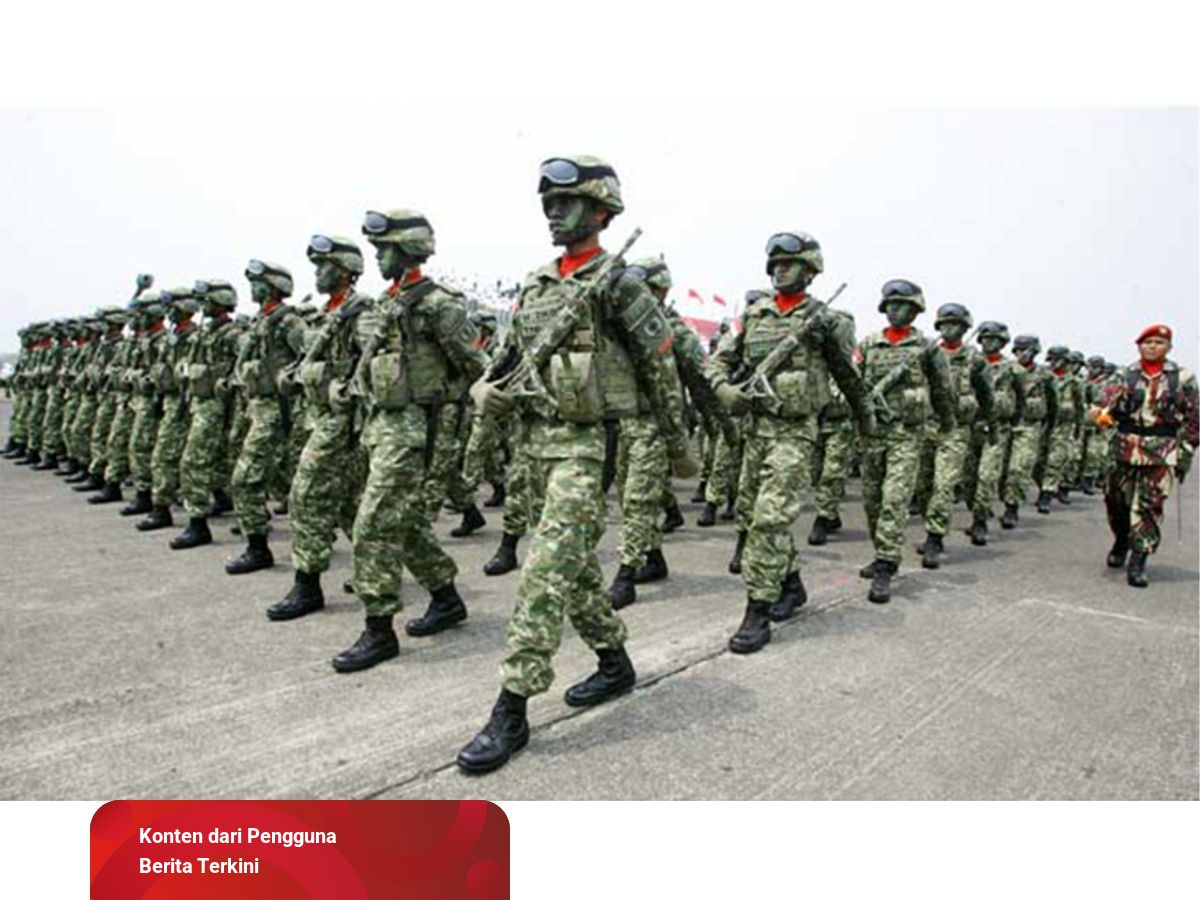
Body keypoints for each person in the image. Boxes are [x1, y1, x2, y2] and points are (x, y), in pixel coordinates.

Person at [457, 156, 695, 773]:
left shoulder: (619, 284)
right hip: (535, 446)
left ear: (601, 212)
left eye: (566, 204)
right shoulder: (536, 285)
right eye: (548, 205)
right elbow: (507, 356)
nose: (553, 214)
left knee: (542, 573)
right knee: (575, 569)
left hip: (588, 447)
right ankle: (614, 663)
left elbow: (661, 367)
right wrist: (484, 387)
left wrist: (677, 446)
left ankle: (511, 708)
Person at [333, 209, 484, 672]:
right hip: (381, 427)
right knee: (406, 522)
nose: (378, 258)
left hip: (415, 434)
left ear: (408, 249)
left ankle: (378, 630)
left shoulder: (438, 304)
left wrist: (446, 404)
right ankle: (446, 597)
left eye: (385, 250)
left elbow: (477, 365)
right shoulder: (386, 302)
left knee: (374, 524)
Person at [711, 232, 871, 649]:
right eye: (776, 262)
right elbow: (719, 361)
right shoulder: (757, 314)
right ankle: (792, 583)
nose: (780, 268)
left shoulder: (827, 321)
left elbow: (849, 377)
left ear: (811, 270)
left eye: (791, 263)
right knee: (752, 514)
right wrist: (723, 388)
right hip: (757, 432)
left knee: (769, 519)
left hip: (796, 433)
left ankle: (757, 610)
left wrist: (868, 422)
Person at [266, 236, 372, 619]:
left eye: (324, 266)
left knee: (305, 495)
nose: (317, 273)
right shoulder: (326, 315)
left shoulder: (362, 315)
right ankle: (378, 571)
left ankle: (307, 585)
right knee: (349, 506)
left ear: (344, 271)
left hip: (344, 424)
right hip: (321, 418)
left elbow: (378, 369)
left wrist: (341, 389)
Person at [857, 279, 955, 603]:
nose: (897, 310)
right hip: (873, 433)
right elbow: (855, 383)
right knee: (871, 498)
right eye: (892, 304)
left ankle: (887, 562)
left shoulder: (927, 348)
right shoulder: (870, 344)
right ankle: (881, 551)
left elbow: (942, 390)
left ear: (915, 310)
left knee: (894, 497)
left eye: (904, 305)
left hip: (907, 434)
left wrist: (946, 425)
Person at [1094, 324, 1198, 587]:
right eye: (1147, 342)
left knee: (1149, 506)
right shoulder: (1124, 375)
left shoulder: (1183, 378)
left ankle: (1139, 559)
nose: (1152, 346)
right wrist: (1100, 415)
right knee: (1116, 502)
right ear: (1139, 346)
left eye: (1158, 343)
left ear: (1169, 347)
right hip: (1125, 447)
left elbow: (1194, 418)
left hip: (1161, 451)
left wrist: (1186, 453)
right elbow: (1099, 405)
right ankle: (1121, 539)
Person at [226, 260, 307, 574]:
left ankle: (258, 548)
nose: (252, 288)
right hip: (256, 408)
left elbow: (312, 356)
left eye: (258, 282)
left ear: (274, 285)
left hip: (279, 413)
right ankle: (257, 545)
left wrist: (291, 377)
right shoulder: (261, 322)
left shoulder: (289, 322)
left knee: (246, 478)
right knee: (278, 482)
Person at [915, 303, 994, 568]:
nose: (949, 329)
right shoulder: (927, 354)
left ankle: (935, 537)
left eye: (955, 325)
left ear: (964, 328)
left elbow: (986, 395)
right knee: (922, 484)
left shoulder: (975, 360)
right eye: (945, 324)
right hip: (927, 426)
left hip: (956, 429)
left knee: (944, 484)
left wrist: (989, 425)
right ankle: (931, 525)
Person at [169, 279, 242, 549]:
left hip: (217, 406)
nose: (202, 306)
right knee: (215, 461)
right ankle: (221, 501)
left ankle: (197, 523)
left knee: (194, 462)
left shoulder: (233, 335)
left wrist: (228, 380)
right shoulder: (204, 333)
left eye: (207, 300)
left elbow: (245, 365)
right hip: (200, 403)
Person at [137, 287, 202, 532]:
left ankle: (190, 516)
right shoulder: (172, 338)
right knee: (164, 456)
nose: (168, 312)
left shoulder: (196, 337)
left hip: (189, 404)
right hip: (171, 403)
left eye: (172, 307)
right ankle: (160, 506)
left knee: (191, 461)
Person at [999, 334, 1057, 528]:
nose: (1022, 354)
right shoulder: (1005, 370)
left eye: (1027, 350)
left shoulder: (1045, 376)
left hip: (1029, 426)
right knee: (999, 469)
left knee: (1019, 467)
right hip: (1005, 425)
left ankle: (1011, 507)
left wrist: (1048, 430)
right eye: (1018, 350)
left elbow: (1053, 404)